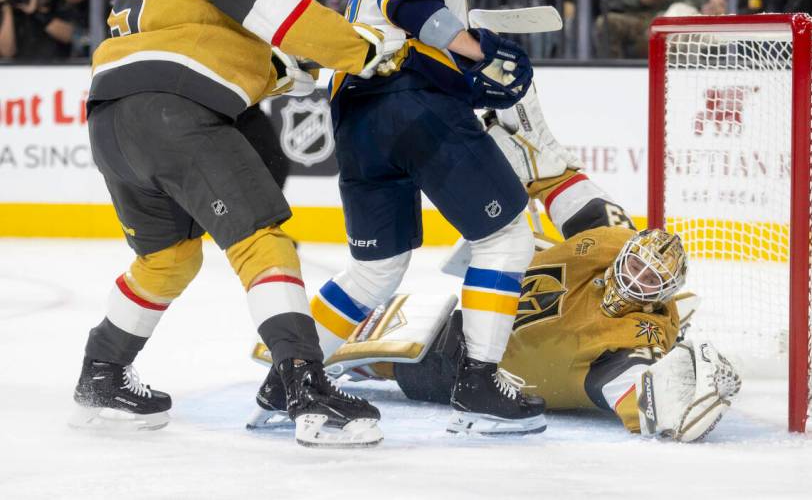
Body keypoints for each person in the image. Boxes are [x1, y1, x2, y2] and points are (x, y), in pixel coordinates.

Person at [69, 0, 389, 448]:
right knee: (261, 240)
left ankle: (102, 373)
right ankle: (306, 390)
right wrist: (363, 48)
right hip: (175, 111)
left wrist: (300, 65)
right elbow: (281, 14)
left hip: (114, 117)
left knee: (168, 260)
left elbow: (236, 48)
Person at [250, 85, 742, 442]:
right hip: (467, 319)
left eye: (650, 280)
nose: (636, 277)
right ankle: (295, 368)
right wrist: (550, 174)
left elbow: (628, 388)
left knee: (378, 361)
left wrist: (674, 397)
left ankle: (295, 371)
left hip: (457, 363)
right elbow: (597, 217)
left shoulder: (637, 336)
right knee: (396, 310)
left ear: (663, 295)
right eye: (637, 265)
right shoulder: (615, 244)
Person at [249, 0, 546, 437]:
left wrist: (464, 76)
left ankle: (287, 377)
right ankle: (479, 381)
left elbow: (399, 30)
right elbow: (412, 4)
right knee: (506, 237)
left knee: (374, 269)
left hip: (358, 117)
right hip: (410, 105)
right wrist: (480, 54)